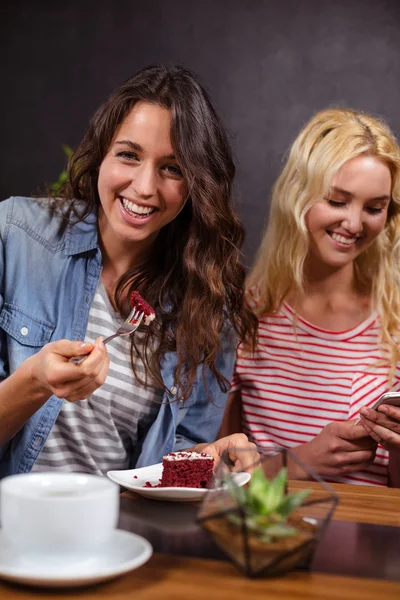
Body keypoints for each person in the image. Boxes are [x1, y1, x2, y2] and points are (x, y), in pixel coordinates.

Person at [0, 64, 258, 478]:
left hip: (116, 531)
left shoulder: (208, 309)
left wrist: (210, 463)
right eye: (129, 155)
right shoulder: (15, 235)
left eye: (172, 168)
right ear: (102, 153)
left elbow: (167, 476)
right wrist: (35, 381)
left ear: (196, 185)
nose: (143, 187)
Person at [220, 107, 400, 486]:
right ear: (297, 196)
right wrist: (297, 464)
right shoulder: (244, 317)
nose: (354, 224)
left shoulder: (395, 321)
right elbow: (216, 474)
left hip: (377, 538)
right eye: (337, 201)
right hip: (278, 536)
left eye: (374, 208)